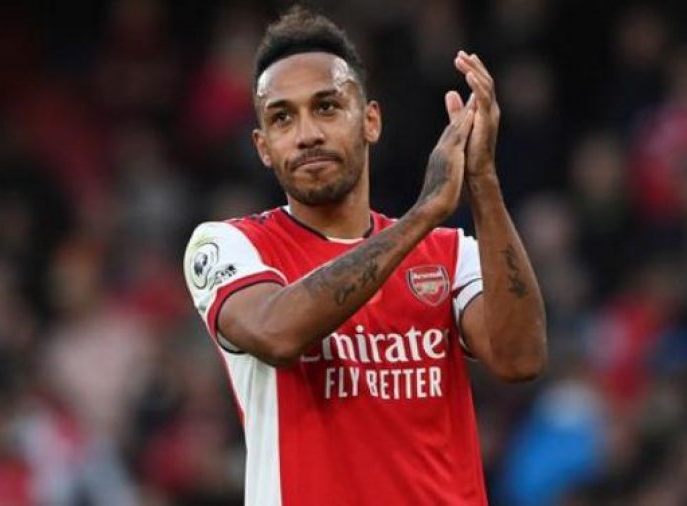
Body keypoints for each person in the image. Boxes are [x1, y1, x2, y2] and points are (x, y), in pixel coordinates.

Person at [183, 6, 547, 505]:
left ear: (371, 121)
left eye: (327, 107)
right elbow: (277, 334)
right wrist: (424, 213)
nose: (307, 134)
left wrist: (482, 179)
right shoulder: (229, 246)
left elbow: (521, 358)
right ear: (263, 147)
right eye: (283, 117)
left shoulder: (448, 254)